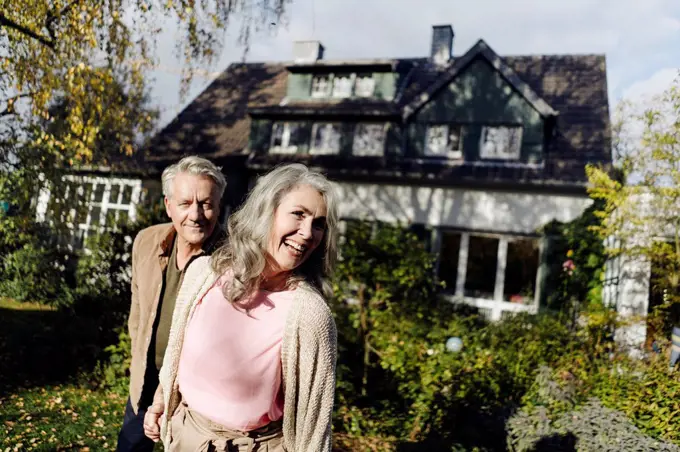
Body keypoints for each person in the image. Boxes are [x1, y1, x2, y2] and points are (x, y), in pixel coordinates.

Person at [143, 163, 339, 452]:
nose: (308, 233)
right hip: (187, 436)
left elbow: (315, 425)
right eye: (298, 215)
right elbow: (177, 353)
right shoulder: (202, 274)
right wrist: (162, 400)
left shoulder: (310, 314)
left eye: (319, 224)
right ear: (265, 211)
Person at [117, 156, 227, 452]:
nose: (196, 214)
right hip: (146, 380)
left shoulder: (233, 259)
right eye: (185, 203)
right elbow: (137, 313)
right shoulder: (147, 241)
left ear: (218, 206)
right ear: (168, 205)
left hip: (197, 395)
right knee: (130, 447)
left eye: (206, 203)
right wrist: (138, 359)